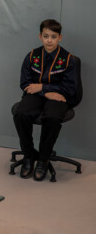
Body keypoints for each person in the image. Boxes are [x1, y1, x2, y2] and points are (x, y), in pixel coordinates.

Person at [13, 19, 79, 181]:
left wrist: (43, 88)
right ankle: (28, 156)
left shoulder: (68, 59)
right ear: (40, 36)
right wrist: (46, 92)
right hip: (36, 95)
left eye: (54, 37)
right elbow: (26, 84)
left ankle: (43, 158)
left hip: (60, 97)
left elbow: (70, 89)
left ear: (60, 38)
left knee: (53, 117)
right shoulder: (31, 56)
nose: (49, 40)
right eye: (46, 36)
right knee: (21, 113)